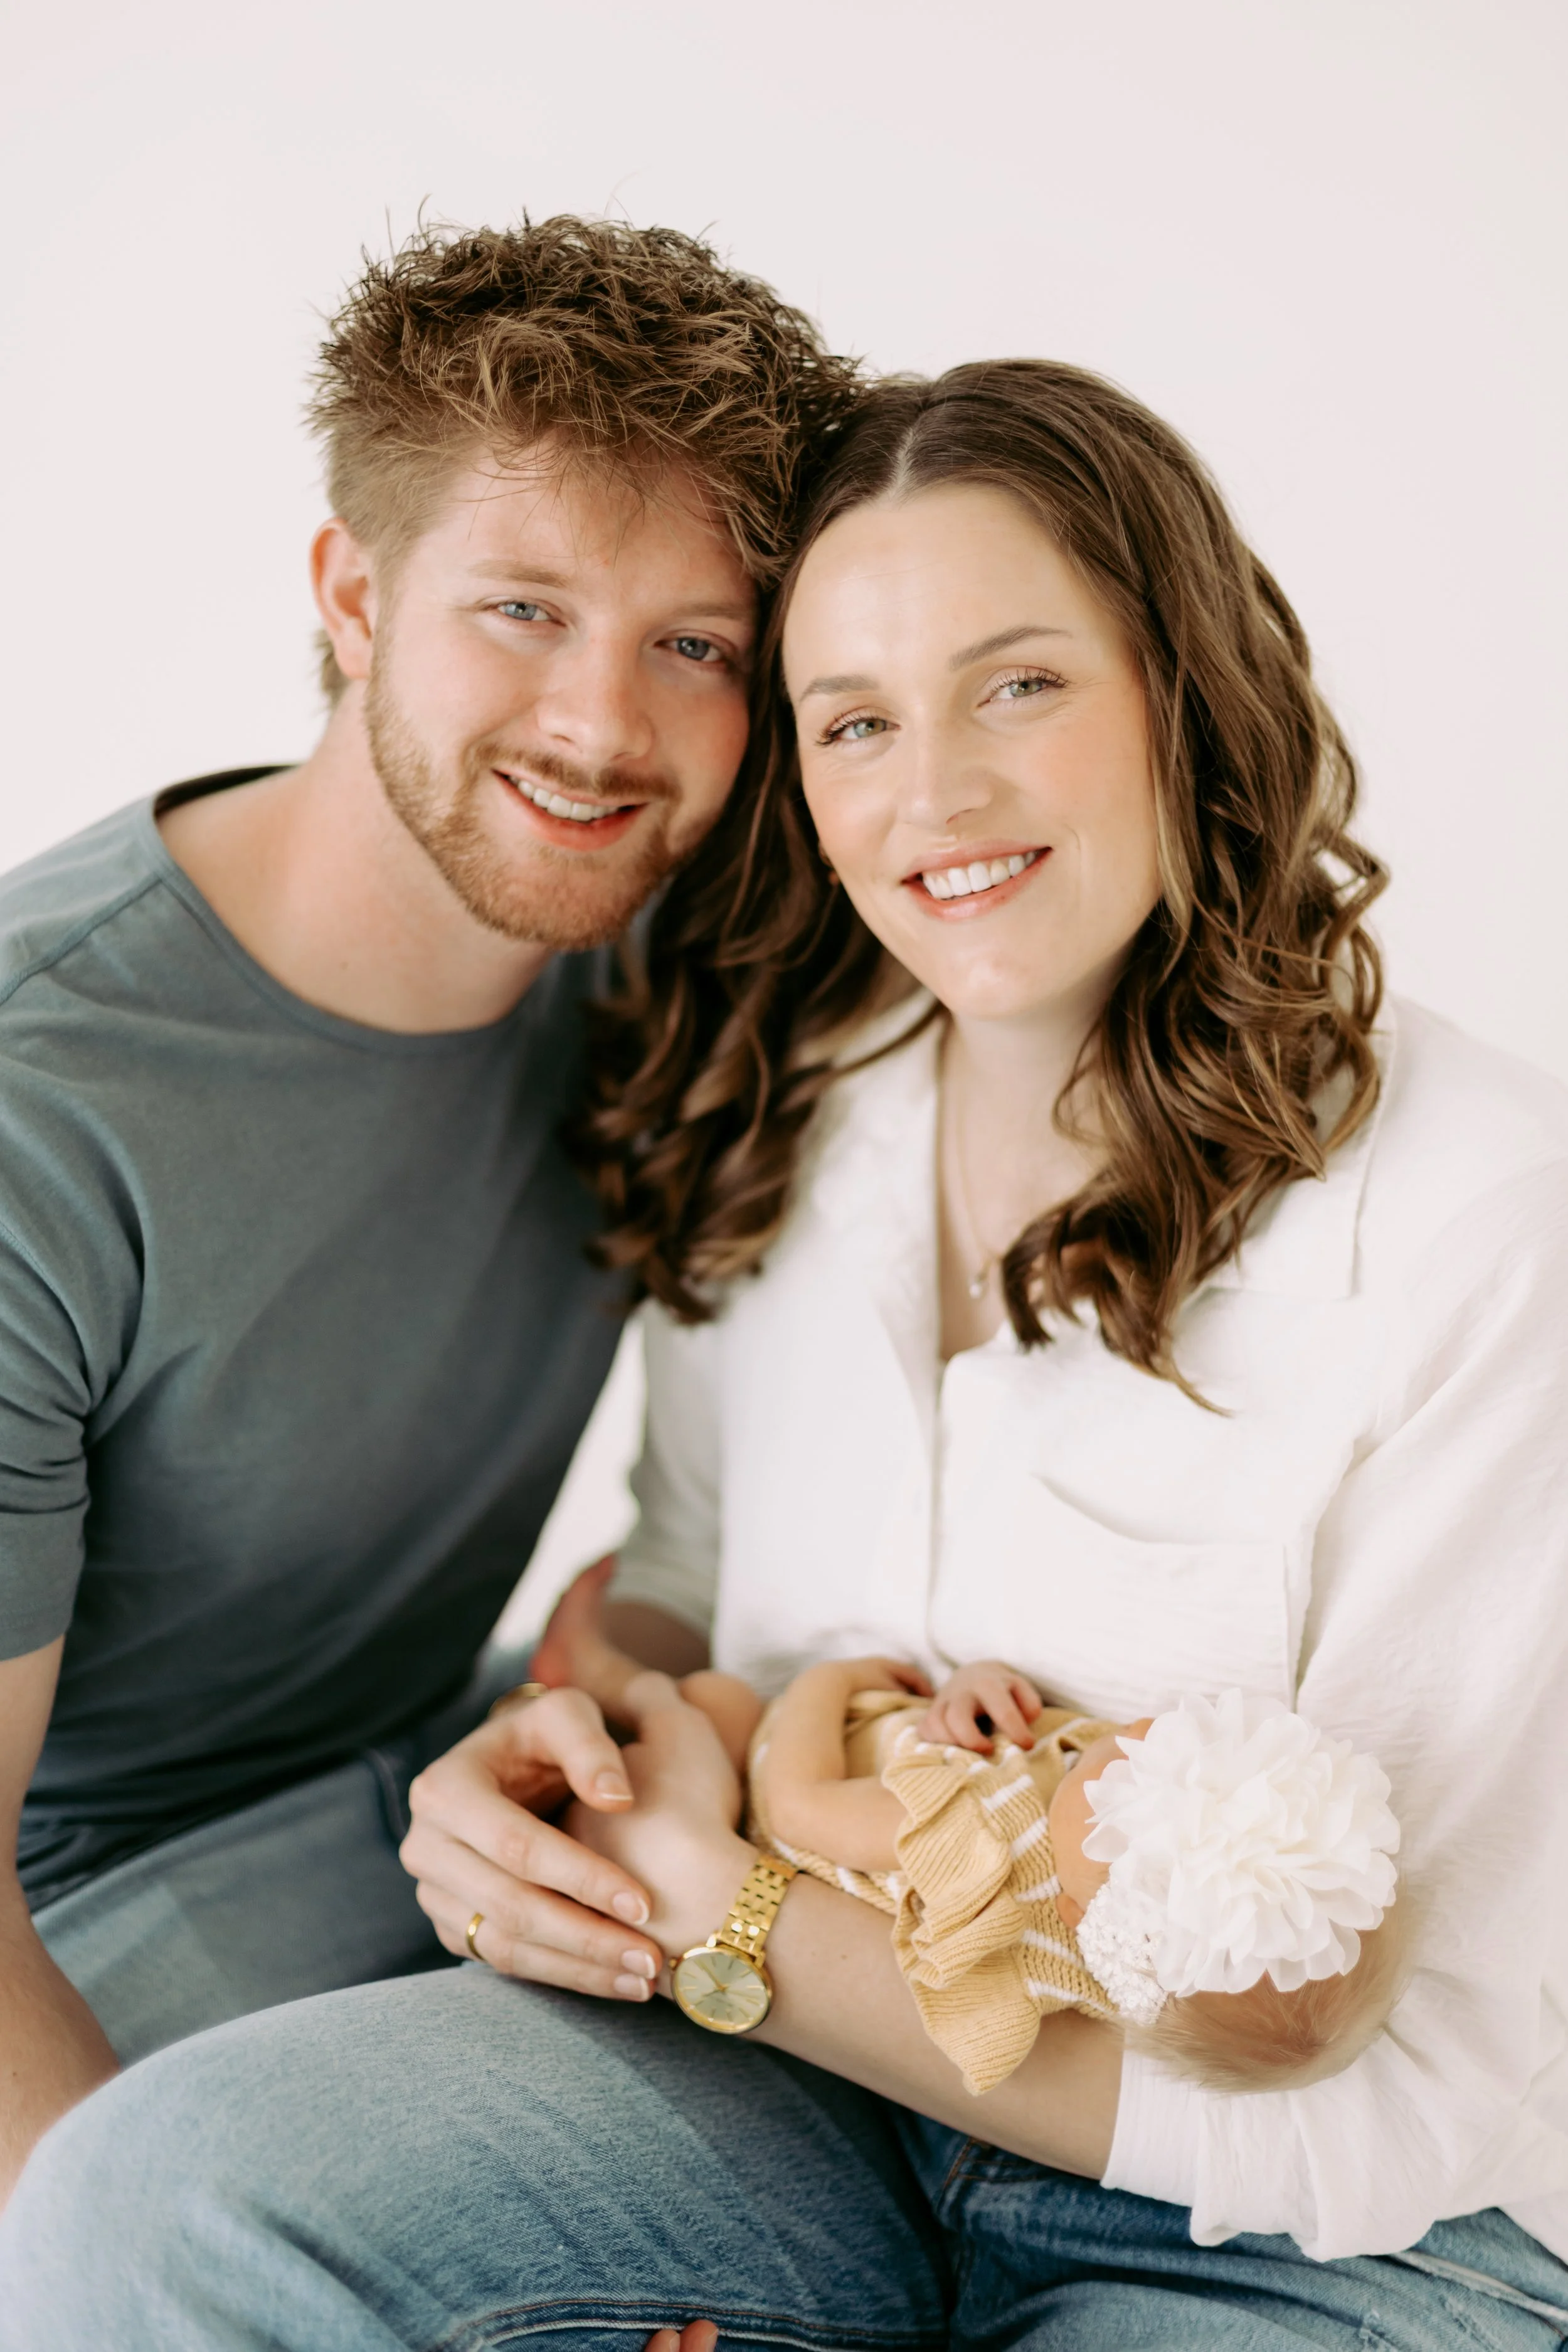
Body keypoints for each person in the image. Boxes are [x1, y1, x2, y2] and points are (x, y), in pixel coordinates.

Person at [6, 360, 1568, 2349]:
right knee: (153, 2197)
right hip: (797, 2105)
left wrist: (722, 1912)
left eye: (1020, 685)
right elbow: (674, 1591)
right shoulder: (801, 1100)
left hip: (1305, 2228)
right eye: (853, 720)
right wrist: (556, 1765)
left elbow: (1400, 2094)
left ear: (1183, 686)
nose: (936, 795)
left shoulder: (1481, 1222)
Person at [0, 213, 861, 2203]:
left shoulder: (675, 951)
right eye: (524, 607)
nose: (604, 727)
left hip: (446, 1799)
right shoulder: (48, 1104)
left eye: (694, 643)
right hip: (98, 1930)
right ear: (352, 591)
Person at [540, 1567, 1406, 2097]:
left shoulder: (978, 1853)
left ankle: (601, 1681)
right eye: (1192, 1753)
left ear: (1079, 1906)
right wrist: (973, 1694)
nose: (1144, 1739)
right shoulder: (1102, 1909)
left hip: (755, 1792)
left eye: (1137, 1793)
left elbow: (801, 1802)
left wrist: (827, 1683)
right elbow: (997, 1744)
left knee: (710, 1702)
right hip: (875, 1757)